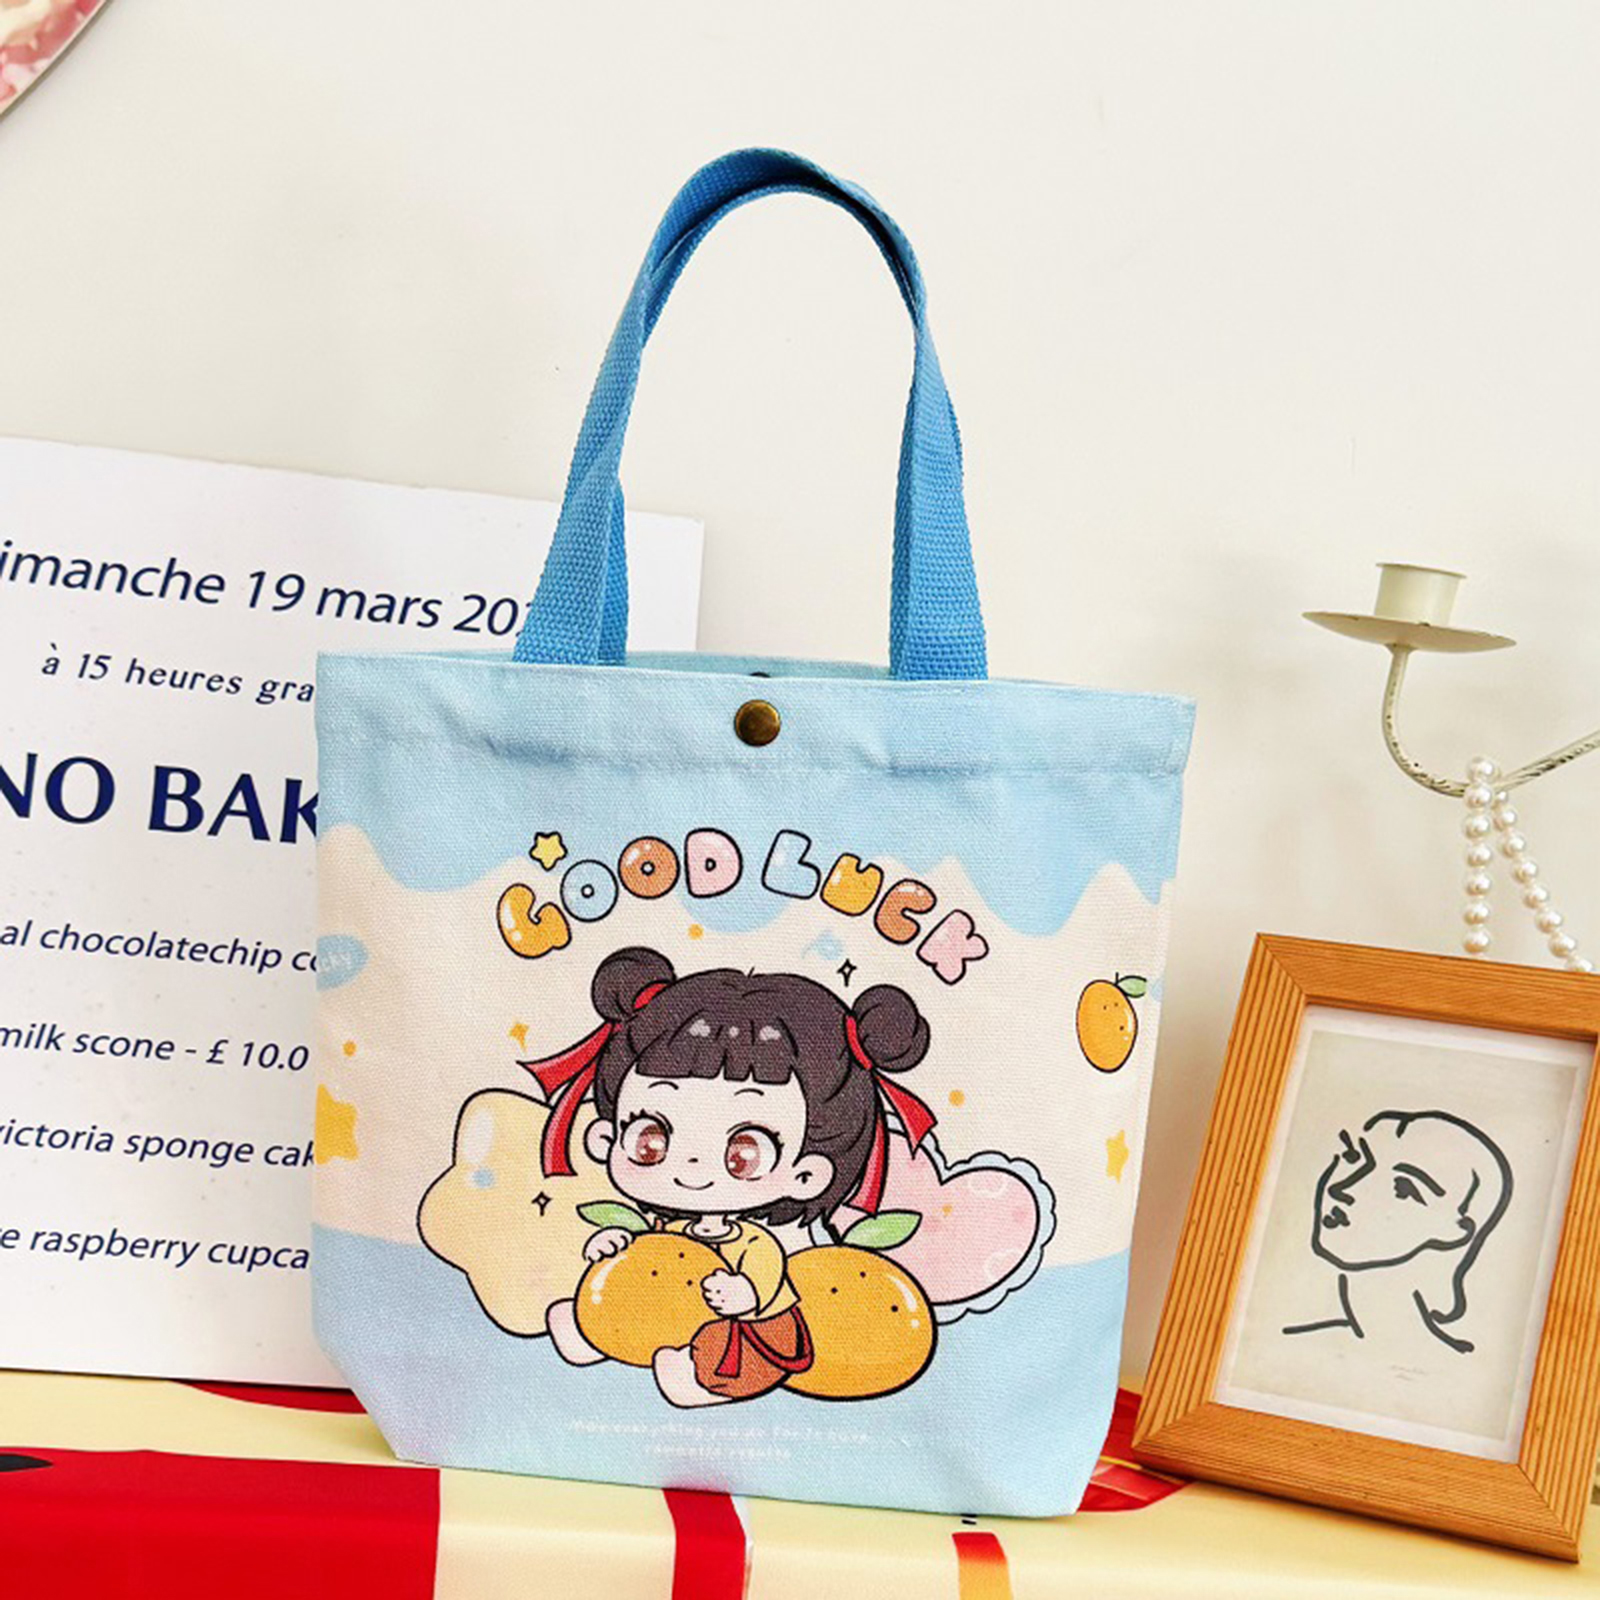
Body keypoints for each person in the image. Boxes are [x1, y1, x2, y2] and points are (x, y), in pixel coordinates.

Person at [1284, 1109, 1512, 1354]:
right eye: (1355, 1158)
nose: (1342, 1188)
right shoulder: (1292, 1342)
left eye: (1403, 1188)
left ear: (1457, 1231)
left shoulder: (1430, 1363)